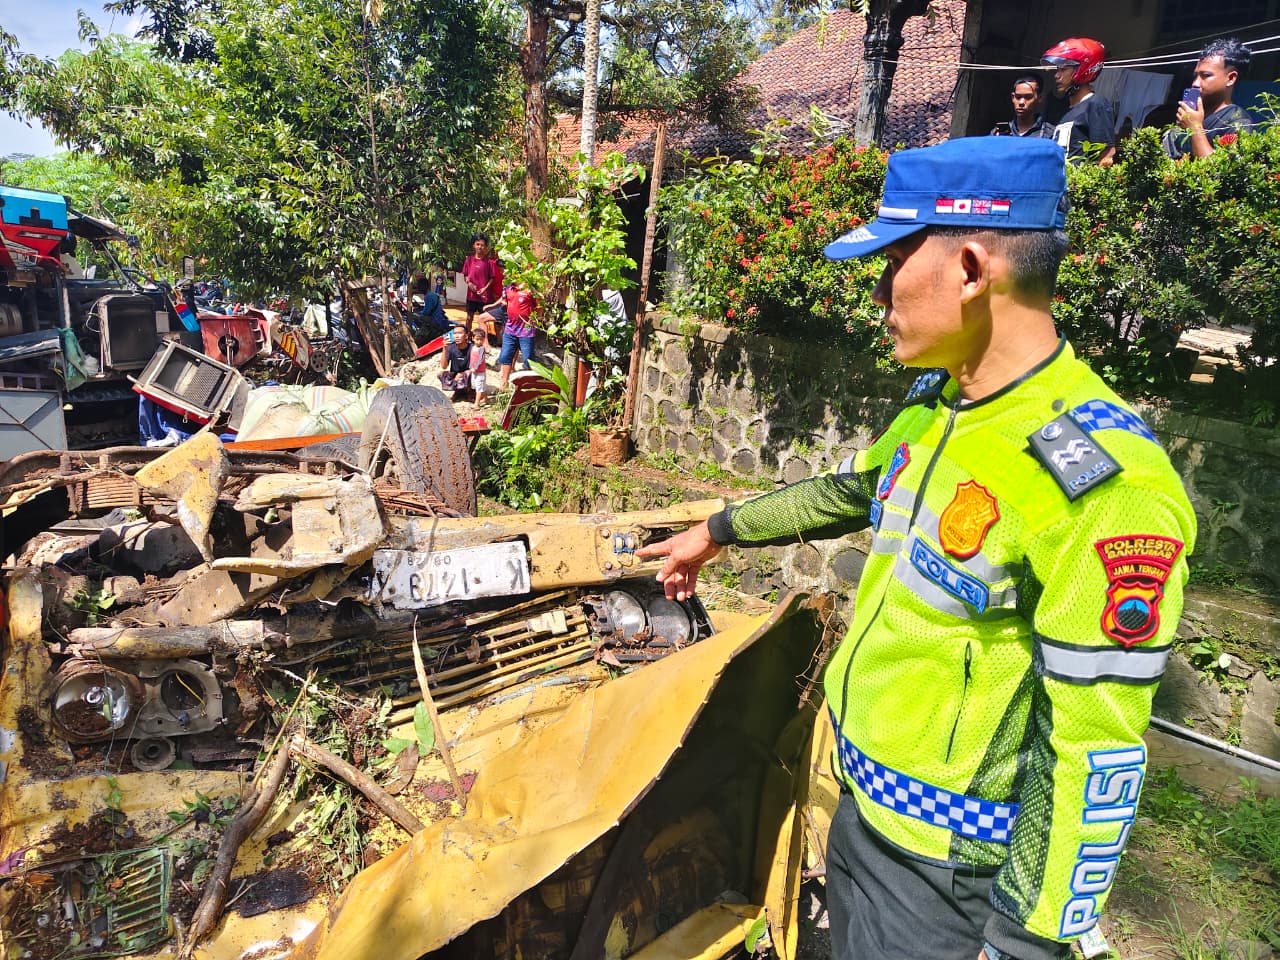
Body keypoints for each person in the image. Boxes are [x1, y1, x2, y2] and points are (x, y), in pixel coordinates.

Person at [636, 137, 1196, 960]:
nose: (876, 294)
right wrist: (714, 533)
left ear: (970, 268)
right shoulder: (944, 408)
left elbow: (1094, 744)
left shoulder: (1105, 487)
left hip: (952, 882)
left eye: (892, 261)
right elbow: (850, 492)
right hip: (861, 814)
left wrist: (1024, 942)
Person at [1162, 38, 1253, 159]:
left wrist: (1195, 127)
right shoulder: (1189, 114)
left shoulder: (1238, 122)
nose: (1195, 83)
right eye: (1195, 76)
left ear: (1231, 78)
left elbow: (1221, 174)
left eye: (1205, 76)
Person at [1042, 37, 1116, 165]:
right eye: (1057, 69)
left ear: (1082, 69)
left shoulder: (1096, 104)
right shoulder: (1066, 111)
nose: (1057, 75)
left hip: (1079, 184)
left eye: (1063, 69)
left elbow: (1106, 156)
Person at [485, 282, 538, 392]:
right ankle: (504, 384)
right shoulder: (509, 287)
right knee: (505, 355)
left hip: (526, 329)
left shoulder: (531, 288)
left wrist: (536, 320)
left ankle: (528, 387)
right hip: (510, 328)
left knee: (529, 359)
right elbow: (504, 301)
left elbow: (539, 306)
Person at [461, 233, 503, 326]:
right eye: (478, 244)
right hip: (471, 296)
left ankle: (483, 338)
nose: (480, 247)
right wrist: (469, 283)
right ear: (474, 245)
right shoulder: (469, 260)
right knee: (469, 317)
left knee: (483, 319)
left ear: (486, 247)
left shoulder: (489, 262)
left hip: (485, 297)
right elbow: (465, 275)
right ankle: (468, 336)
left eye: (482, 245)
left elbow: (492, 278)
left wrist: (485, 288)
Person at [439, 325, 475, 398]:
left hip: (468, 375)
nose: (457, 336)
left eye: (459, 333)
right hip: (455, 375)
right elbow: (444, 366)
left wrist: (462, 374)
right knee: (441, 375)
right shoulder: (451, 348)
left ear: (466, 336)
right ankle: (458, 391)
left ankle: (469, 391)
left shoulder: (473, 348)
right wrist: (444, 348)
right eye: (455, 333)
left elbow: (476, 367)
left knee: (469, 374)